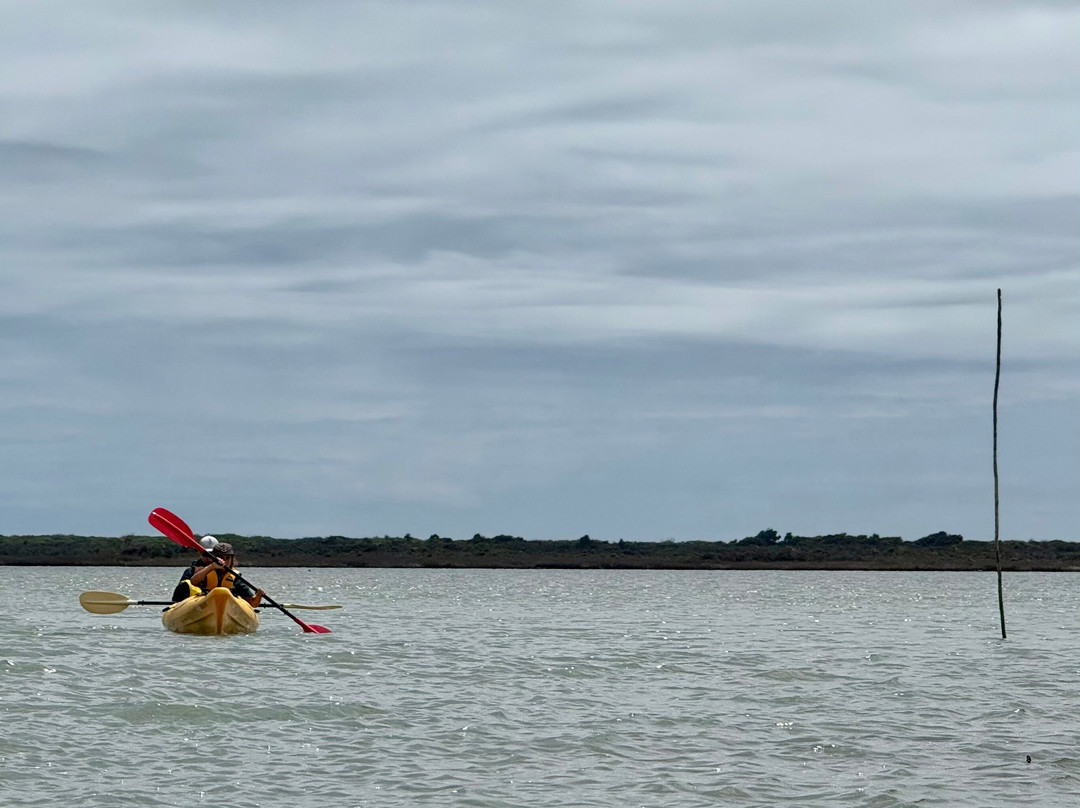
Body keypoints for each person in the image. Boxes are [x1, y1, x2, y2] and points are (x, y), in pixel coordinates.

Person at [171, 538, 264, 607]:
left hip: (227, 606)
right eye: (221, 557)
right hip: (203, 605)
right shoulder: (201, 571)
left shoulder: (235, 576)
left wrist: (258, 596)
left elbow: (252, 602)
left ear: (232, 559)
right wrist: (211, 567)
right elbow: (193, 582)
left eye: (227, 558)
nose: (224, 560)